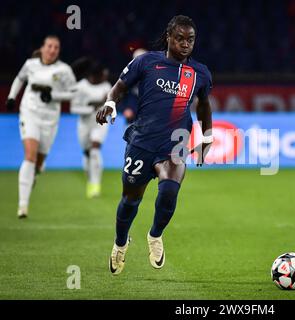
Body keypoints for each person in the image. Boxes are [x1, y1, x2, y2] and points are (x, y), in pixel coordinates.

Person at [96, 15, 213, 275]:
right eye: (180, 38)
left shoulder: (200, 73)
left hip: (174, 145)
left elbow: (204, 105)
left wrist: (206, 138)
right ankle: (120, 244)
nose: (185, 44)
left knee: (170, 191)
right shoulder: (147, 62)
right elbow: (119, 87)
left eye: (190, 39)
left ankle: (155, 235)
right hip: (141, 143)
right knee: (130, 200)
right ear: (169, 37)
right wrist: (110, 103)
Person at [5, 35, 76, 218]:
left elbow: (73, 92)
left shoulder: (64, 70)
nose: (52, 50)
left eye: (56, 47)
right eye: (50, 46)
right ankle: (23, 205)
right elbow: (19, 79)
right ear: (43, 48)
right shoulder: (30, 65)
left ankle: (34, 174)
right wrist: (12, 97)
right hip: (30, 113)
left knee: (39, 162)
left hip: (50, 119)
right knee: (29, 155)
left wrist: (53, 95)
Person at [71, 60, 111, 198]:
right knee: (87, 153)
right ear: (94, 76)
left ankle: (96, 185)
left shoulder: (106, 86)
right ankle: (90, 181)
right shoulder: (81, 87)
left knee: (95, 149)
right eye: (101, 75)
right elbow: (73, 108)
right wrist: (91, 107)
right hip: (84, 124)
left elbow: (111, 105)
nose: (104, 77)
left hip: (100, 123)